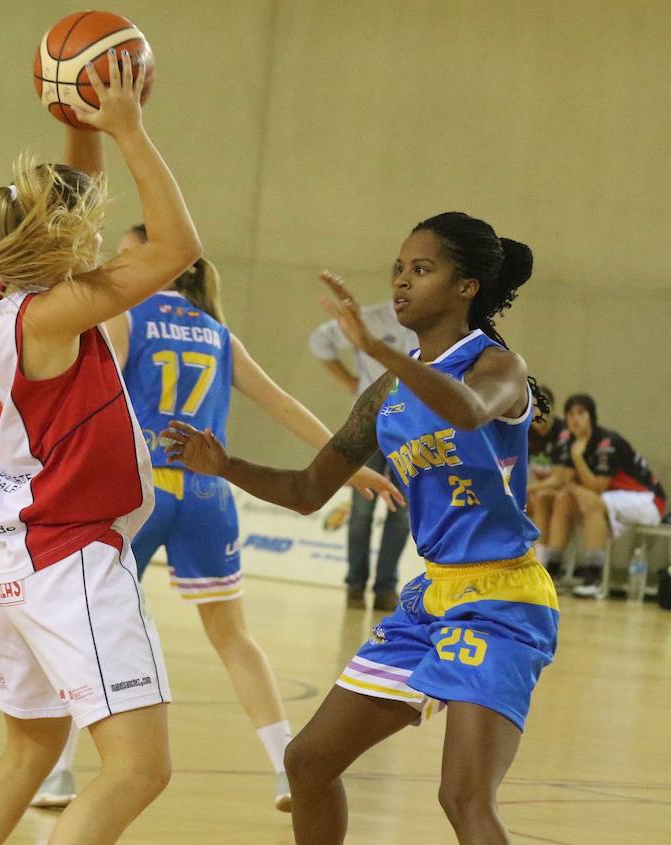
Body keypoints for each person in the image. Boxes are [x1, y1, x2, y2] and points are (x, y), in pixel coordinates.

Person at [32, 135, 403, 813]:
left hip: (137, 492)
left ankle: (56, 772)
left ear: (156, 261)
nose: (115, 259)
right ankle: (288, 767)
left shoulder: (121, 315)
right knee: (232, 637)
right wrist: (353, 470)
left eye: (126, 252)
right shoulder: (215, 330)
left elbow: (84, 399)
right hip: (207, 494)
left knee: (81, 634)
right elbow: (287, 405)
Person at [163, 212, 559, 845]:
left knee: (463, 798)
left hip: (503, 603)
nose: (402, 282)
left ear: (467, 287)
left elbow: (466, 411)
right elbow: (306, 490)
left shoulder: (498, 369)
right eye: (398, 269)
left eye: (422, 269)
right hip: (432, 599)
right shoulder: (385, 395)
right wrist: (226, 465)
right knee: (308, 763)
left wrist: (375, 348)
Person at [0, 53, 200, 845]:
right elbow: (177, 247)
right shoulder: (54, 317)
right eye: (77, 229)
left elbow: (74, 205)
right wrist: (128, 128)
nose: (92, 225)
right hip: (69, 557)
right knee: (138, 768)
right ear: (55, 253)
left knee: (29, 748)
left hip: (7, 552)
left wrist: (75, 123)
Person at [309, 298, 416, 610]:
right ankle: (355, 584)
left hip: (412, 429)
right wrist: (349, 380)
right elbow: (320, 340)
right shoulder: (370, 317)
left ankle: (386, 587)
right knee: (362, 509)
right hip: (367, 426)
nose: (406, 282)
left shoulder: (433, 322)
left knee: (401, 512)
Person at [540, 393, 665, 598]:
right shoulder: (569, 441)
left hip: (648, 500)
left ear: (592, 417)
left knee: (594, 502)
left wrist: (578, 458)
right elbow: (565, 480)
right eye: (570, 414)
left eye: (581, 413)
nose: (574, 419)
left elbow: (597, 486)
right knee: (564, 498)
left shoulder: (608, 442)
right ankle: (552, 571)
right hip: (615, 498)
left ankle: (594, 578)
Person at [525, 384, 566, 564]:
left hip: (565, 489)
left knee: (540, 497)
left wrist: (529, 488)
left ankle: (541, 562)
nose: (537, 413)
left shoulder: (562, 433)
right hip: (541, 488)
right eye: (532, 408)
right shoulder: (527, 433)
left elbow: (559, 479)